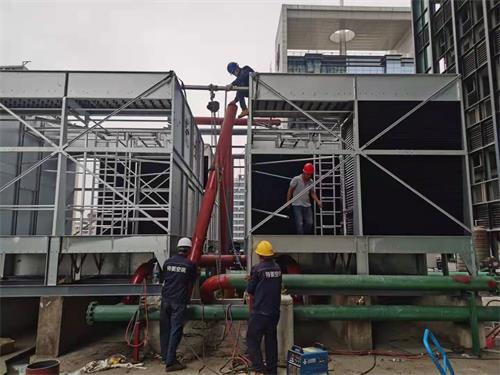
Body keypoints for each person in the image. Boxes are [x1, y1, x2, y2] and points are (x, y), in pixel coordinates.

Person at [160, 237, 197, 372]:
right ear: (188, 250)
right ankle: (171, 362)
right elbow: (192, 281)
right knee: (176, 330)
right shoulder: (189, 265)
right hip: (178, 301)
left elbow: (162, 278)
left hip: (165, 299)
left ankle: (165, 357)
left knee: (165, 329)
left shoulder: (167, 262)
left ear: (178, 248)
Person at [246, 240, 282, 375]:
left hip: (260, 313)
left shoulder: (257, 269)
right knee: (271, 342)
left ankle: (259, 369)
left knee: (252, 339)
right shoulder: (278, 268)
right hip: (274, 312)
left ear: (260, 255)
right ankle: (272, 371)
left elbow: (250, 290)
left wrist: (250, 279)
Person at [287, 162, 321, 234]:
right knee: (299, 223)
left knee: (310, 223)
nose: (308, 176)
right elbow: (290, 190)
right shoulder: (296, 179)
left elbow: (312, 193)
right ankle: (301, 238)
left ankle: (305, 236)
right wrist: (288, 202)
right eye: (307, 174)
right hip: (297, 204)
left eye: (310, 174)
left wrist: (318, 201)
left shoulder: (311, 182)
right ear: (304, 172)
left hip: (307, 205)